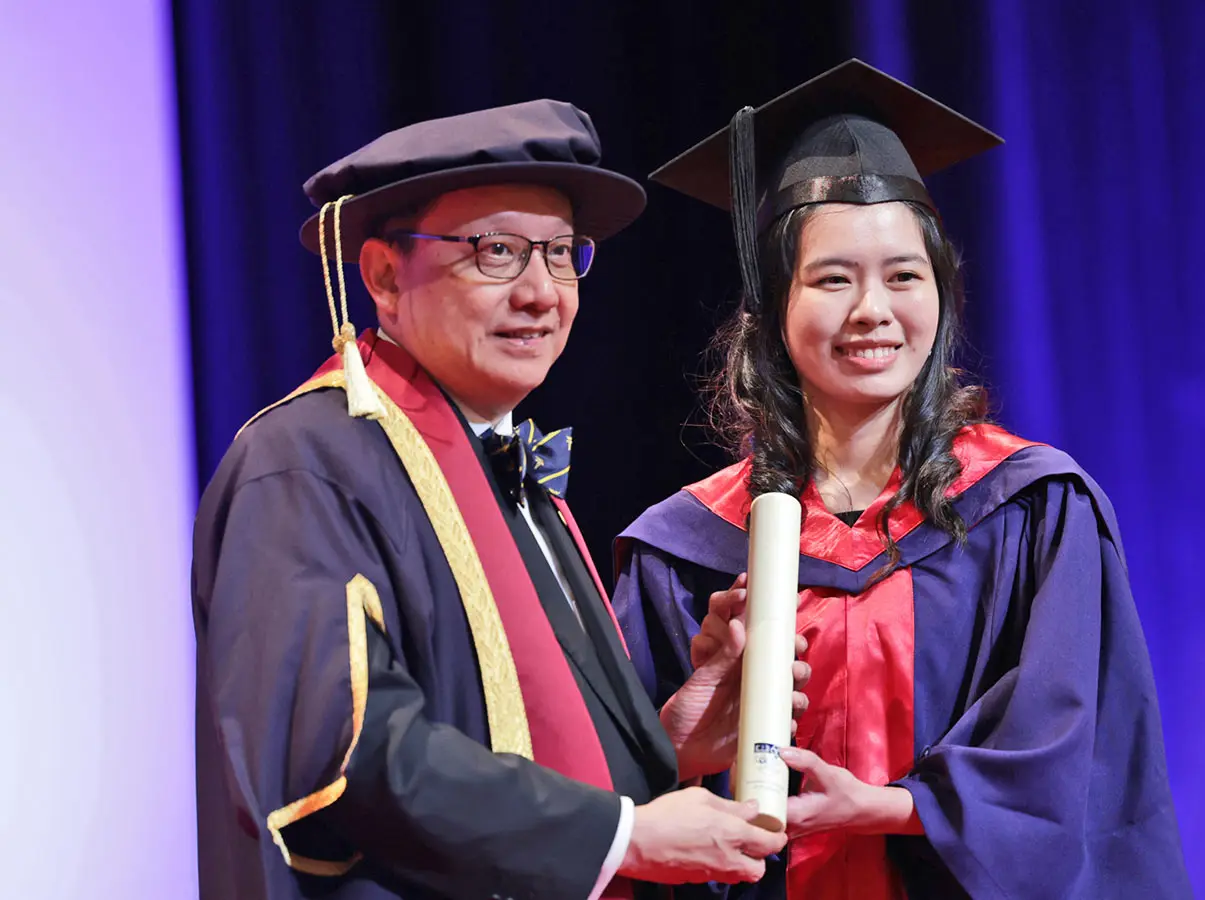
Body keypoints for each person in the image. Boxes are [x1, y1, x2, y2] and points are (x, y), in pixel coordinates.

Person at [192, 99, 803, 900]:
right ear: (381, 274)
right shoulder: (306, 463)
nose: (542, 293)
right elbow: (341, 753)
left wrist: (673, 740)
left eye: (559, 253)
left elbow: (519, 745)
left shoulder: (515, 478)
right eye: (497, 252)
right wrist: (623, 835)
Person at [612, 60, 1192, 898]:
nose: (872, 310)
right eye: (832, 278)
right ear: (775, 307)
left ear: (943, 295)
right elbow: (607, 797)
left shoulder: (1029, 510)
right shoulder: (688, 548)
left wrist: (891, 807)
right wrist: (677, 743)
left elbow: (1077, 755)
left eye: (903, 275)